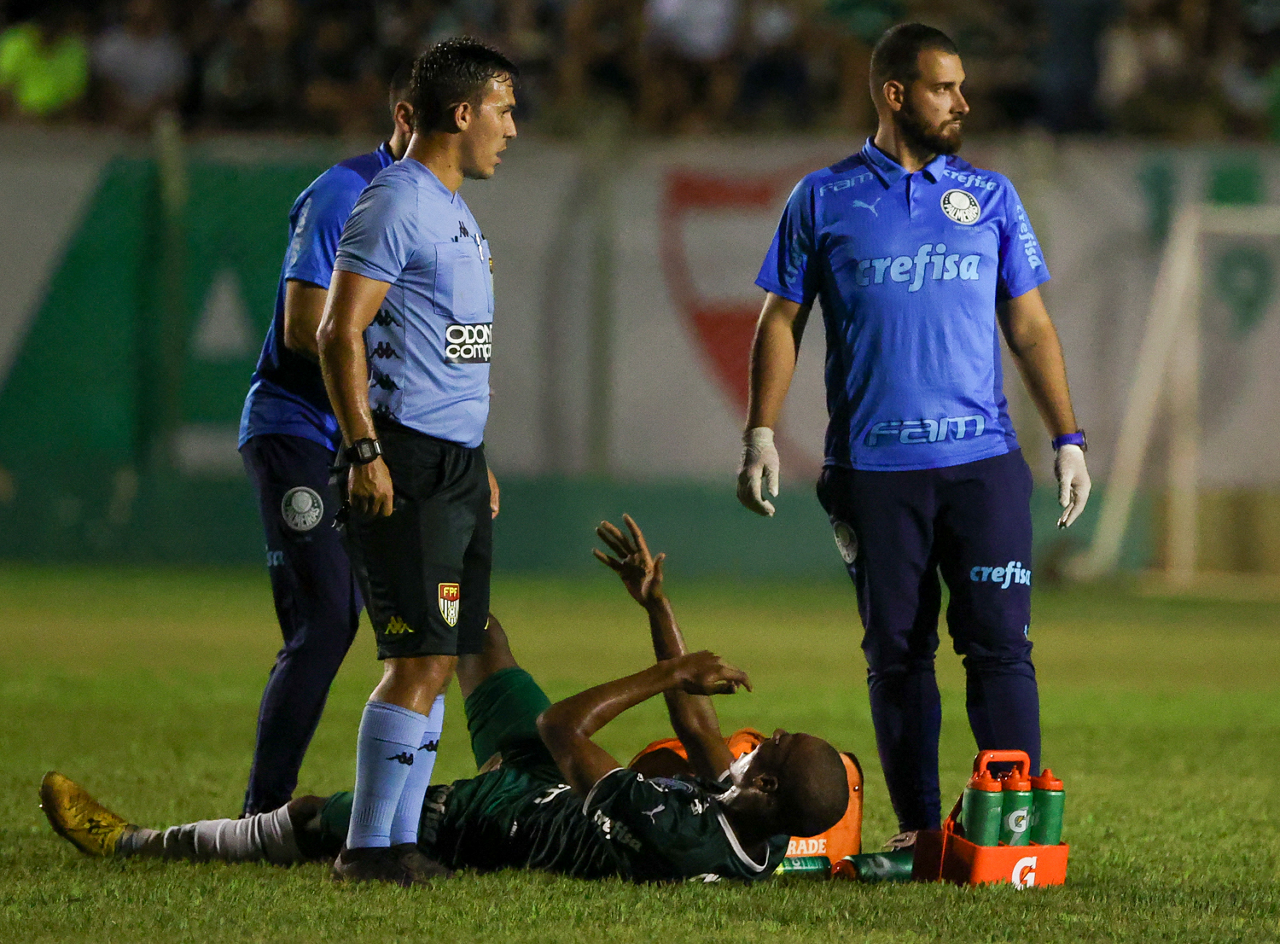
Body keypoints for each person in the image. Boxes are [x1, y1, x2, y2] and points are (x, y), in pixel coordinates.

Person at [40, 517, 851, 885]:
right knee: (475, 631)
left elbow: (562, 727)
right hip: (555, 779)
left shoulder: (684, 839)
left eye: (772, 747)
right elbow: (699, 726)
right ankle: (394, 557)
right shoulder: (761, 828)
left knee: (321, 818)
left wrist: (666, 673)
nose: (762, 737)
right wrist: (656, 607)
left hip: (505, 817)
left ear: (766, 785)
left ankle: (135, 843)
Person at [737, 23, 1091, 848]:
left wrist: (1068, 437)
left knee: (1001, 648)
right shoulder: (821, 198)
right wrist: (760, 432)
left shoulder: (991, 196)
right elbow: (780, 319)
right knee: (897, 654)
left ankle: (1010, 828)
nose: (963, 101)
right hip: (873, 470)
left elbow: (1030, 325)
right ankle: (920, 832)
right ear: (896, 94)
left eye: (963, 85)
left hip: (983, 466)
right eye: (944, 87)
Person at [238, 62, 469, 819]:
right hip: (302, 431)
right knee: (327, 619)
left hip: (379, 442)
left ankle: (398, 821)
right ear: (406, 118)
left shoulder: (443, 211)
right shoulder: (345, 192)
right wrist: (375, 422)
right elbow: (305, 328)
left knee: (424, 633)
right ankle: (262, 815)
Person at [315, 38, 517, 884]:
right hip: (403, 460)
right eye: (504, 110)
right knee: (415, 661)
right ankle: (365, 851)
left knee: (439, 660)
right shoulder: (396, 200)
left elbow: (450, 349)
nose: (513, 128)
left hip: (456, 465)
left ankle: (400, 844)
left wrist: (475, 453)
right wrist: (365, 449)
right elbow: (338, 330)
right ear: (462, 114)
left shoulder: (454, 209)